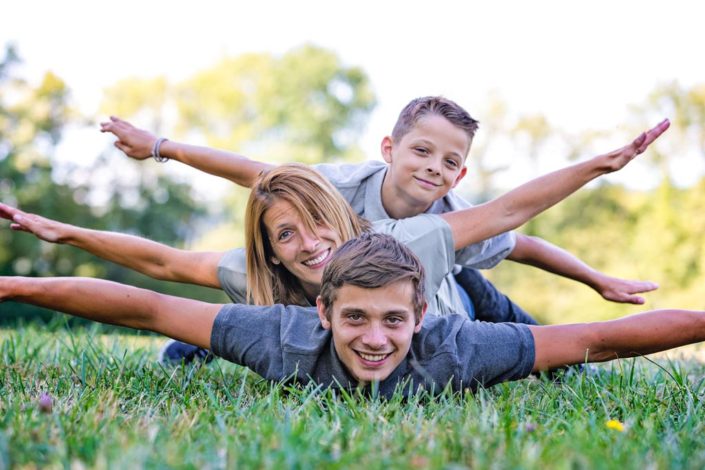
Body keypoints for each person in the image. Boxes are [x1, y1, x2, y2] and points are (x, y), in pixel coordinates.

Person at [1, 120, 669, 363]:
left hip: (462, 300)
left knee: (550, 348)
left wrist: (597, 170)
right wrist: (61, 231)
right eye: (285, 237)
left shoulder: (402, 234)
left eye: (316, 225)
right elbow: (161, 263)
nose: (306, 244)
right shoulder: (264, 265)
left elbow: (509, 221)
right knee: (200, 343)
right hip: (370, 313)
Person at [100, 96, 660, 321]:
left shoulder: (454, 214)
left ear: (459, 174)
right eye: (421, 151)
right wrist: (159, 147)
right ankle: (191, 348)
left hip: (455, 293)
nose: (433, 168)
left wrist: (596, 279)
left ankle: (563, 364)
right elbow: (255, 171)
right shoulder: (337, 190)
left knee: (495, 305)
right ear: (389, 150)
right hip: (350, 294)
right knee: (253, 293)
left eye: (448, 161)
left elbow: (523, 235)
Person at [2, 232, 704, 398]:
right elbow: (148, 304)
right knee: (184, 343)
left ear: (421, 315)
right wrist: (14, 287)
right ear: (321, 312)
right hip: (243, 335)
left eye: (393, 321)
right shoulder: (277, 335)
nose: (374, 340)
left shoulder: (460, 347)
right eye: (355, 319)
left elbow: (600, 337)